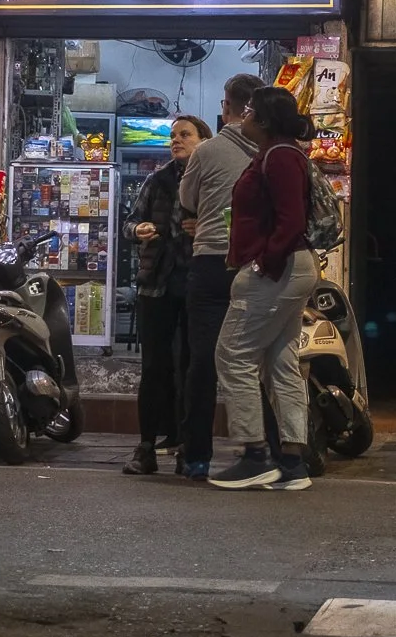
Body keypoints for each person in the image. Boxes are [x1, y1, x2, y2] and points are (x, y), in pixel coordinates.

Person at [207, 87, 322, 491]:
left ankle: (255, 455)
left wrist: (264, 262)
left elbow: (291, 221)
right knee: (280, 360)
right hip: (290, 268)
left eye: (250, 111)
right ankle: (292, 462)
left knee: (232, 354)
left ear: (266, 120)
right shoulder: (281, 154)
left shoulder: (281, 157)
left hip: (281, 269)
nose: (243, 117)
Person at [174, 72, 264, 479]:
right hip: (256, 264)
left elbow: (187, 199)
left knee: (203, 362)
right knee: (258, 359)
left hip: (211, 261)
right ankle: (265, 450)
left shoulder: (207, 152)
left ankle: (196, 457)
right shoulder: (271, 151)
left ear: (227, 107)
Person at [122, 115, 206, 476]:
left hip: (197, 283)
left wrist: (205, 226)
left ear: (204, 140)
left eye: (185, 135)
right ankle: (145, 447)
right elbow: (129, 222)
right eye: (173, 136)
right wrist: (137, 229)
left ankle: (189, 446)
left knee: (192, 366)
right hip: (156, 283)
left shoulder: (211, 180)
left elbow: (232, 223)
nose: (176, 140)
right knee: (154, 366)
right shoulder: (157, 180)